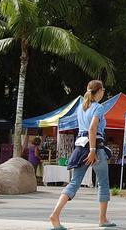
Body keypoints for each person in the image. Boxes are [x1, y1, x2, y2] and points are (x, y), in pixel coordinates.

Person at [49, 80, 115, 229]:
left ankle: (55, 214)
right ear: (98, 91)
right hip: (95, 149)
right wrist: (92, 151)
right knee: (103, 183)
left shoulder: (81, 107)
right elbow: (92, 129)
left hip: (80, 147)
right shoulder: (98, 107)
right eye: (103, 89)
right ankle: (102, 219)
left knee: (74, 183)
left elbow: (83, 129)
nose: (103, 92)